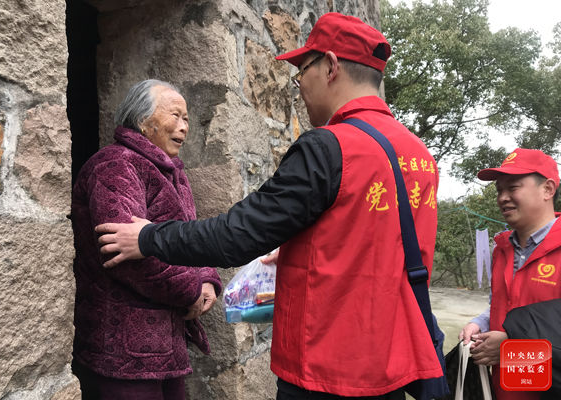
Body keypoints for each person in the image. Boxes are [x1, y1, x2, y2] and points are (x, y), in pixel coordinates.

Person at [95, 13, 443, 399]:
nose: (299, 85)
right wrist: (302, 248)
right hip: (389, 365)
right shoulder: (419, 155)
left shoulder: (329, 147)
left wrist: (148, 236)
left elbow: (236, 236)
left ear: (330, 66)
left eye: (302, 70)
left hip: (324, 370)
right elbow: (371, 239)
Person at [71, 79, 222, 400]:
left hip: (164, 346)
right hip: (124, 348)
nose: (184, 127)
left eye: (187, 120)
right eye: (175, 116)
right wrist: (191, 290)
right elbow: (125, 255)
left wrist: (207, 278)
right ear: (142, 120)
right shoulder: (115, 166)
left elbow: (189, 235)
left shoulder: (172, 172)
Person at [459, 148, 560, 400]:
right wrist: (480, 322)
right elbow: (502, 304)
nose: (503, 198)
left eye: (512, 188)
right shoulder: (502, 249)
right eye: (499, 191)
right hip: (501, 389)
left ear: (548, 189)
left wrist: (510, 349)